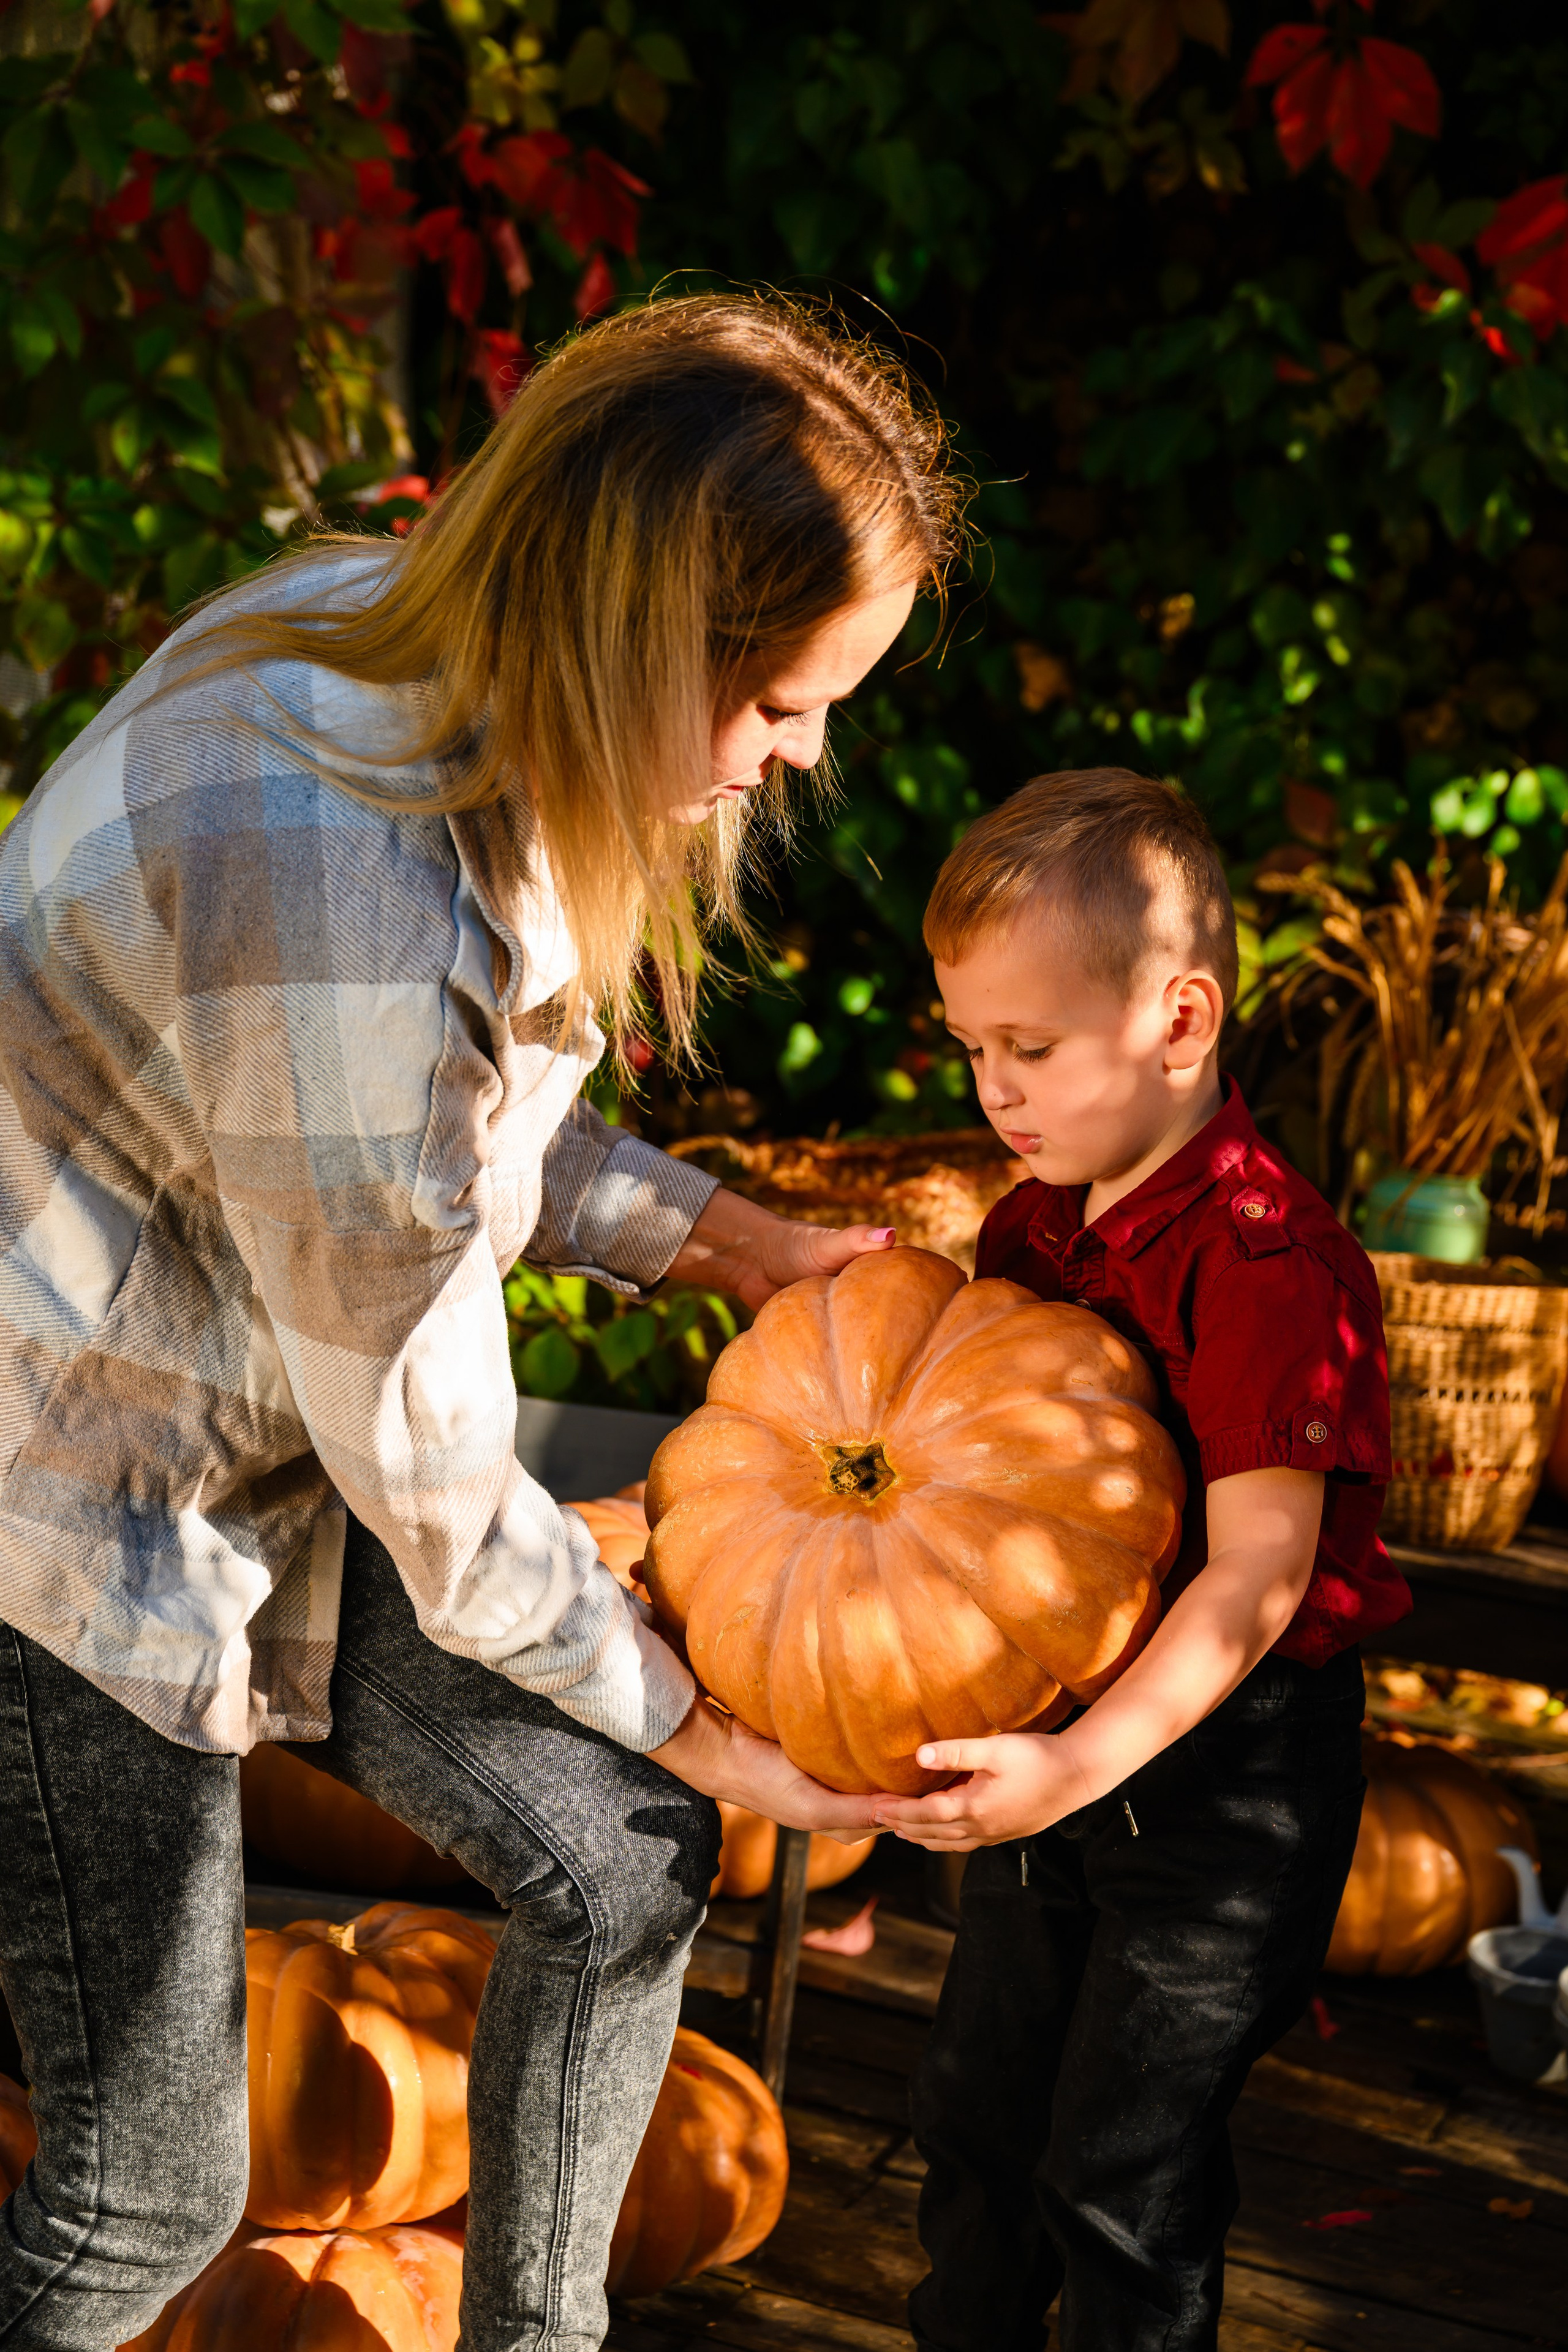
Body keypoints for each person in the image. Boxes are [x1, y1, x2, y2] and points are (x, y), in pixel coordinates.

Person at [0, 293, 965, 2352]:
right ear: (649, 636)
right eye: (789, 702)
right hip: (64, 1514)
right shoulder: (333, 868)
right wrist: (715, 1731)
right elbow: (428, 1456)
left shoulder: (406, 645)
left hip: (252, 1442)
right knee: (147, 2186)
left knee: (619, 1866)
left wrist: (728, 1243)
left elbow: (431, 1141)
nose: (807, 754)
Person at [876, 769, 1411, 2352]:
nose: (995, 1090)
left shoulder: (1266, 1266)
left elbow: (1251, 1578)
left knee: (1123, 2175)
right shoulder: (1031, 1235)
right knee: (975, 2124)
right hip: (1063, 1734)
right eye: (973, 1048)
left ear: (1181, 1023)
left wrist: (1079, 1766)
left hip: (1220, 1784)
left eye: (1028, 1050)